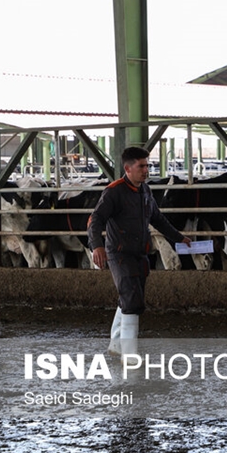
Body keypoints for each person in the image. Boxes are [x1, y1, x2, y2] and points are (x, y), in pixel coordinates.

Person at [88, 146, 191, 359]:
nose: (146, 170)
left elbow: (157, 218)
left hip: (139, 252)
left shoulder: (145, 191)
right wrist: (96, 246)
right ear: (128, 168)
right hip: (119, 253)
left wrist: (178, 237)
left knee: (130, 297)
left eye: (148, 165)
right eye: (142, 166)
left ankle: (116, 345)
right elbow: (95, 220)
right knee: (132, 299)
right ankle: (129, 354)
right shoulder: (114, 191)